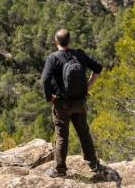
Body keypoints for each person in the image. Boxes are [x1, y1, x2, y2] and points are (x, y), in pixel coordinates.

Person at [41, 28, 105, 178]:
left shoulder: (53, 58)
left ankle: (60, 170)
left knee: (62, 136)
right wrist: (88, 86)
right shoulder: (79, 54)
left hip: (61, 103)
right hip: (80, 101)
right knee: (83, 131)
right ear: (69, 41)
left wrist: (49, 97)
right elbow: (98, 68)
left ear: (55, 41)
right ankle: (93, 163)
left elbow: (44, 80)